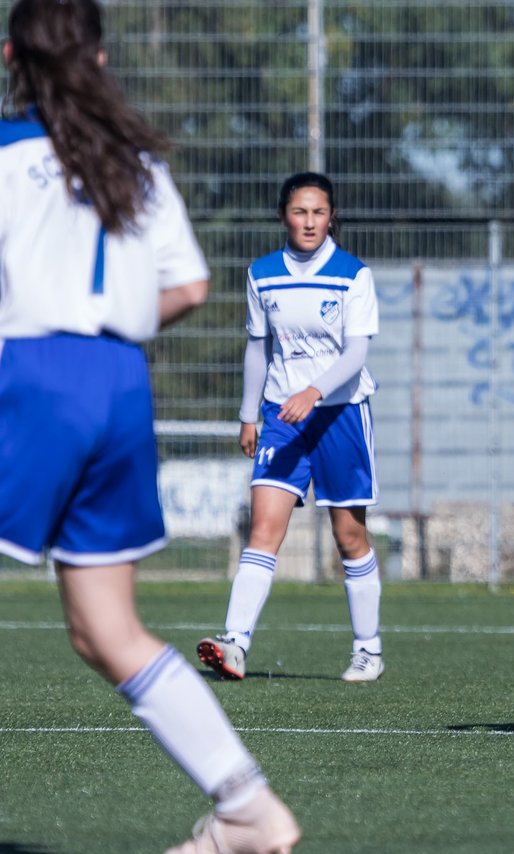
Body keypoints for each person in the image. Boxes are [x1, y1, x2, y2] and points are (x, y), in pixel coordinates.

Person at [0, 2, 300, 852]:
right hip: (119, 385)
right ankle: (248, 809)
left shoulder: (5, 153)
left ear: (11, 54)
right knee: (106, 630)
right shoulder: (137, 162)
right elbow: (191, 288)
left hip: (32, 374)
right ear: (97, 57)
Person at [197, 172, 385, 684]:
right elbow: (258, 348)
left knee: (349, 536)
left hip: (341, 414)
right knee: (263, 530)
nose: (309, 222)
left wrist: (315, 391)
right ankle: (235, 644)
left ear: (331, 218)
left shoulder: (352, 275)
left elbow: (356, 354)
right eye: (299, 212)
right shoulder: (262, 274)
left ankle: (368, 650)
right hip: (282, 418)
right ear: (284, 215)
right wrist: (248, 413)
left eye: (318, 212)